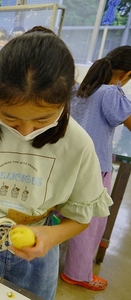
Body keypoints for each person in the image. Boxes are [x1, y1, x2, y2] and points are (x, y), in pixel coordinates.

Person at [0, 32, 113, 299]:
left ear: (65, 101)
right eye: (10, 117)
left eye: (42, 120)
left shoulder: (77, 144)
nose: (26, 130)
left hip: (37, 254)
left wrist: (51, 237)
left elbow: (81, 218)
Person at [62, 45, 131, 291]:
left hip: (67, 162)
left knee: (63, 211)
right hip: (94, 167)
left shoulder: (77, 90)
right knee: (89, 222)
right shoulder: (112, 93)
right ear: (126, 74)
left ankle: (50, 253)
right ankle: (77, 273)